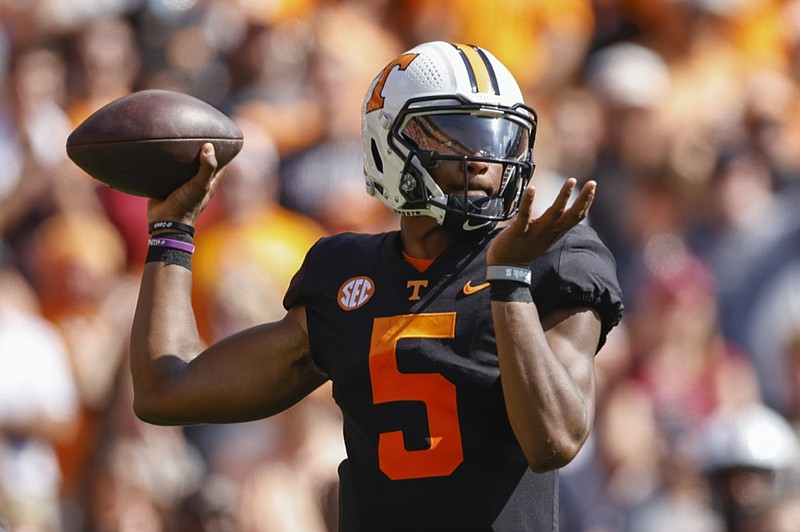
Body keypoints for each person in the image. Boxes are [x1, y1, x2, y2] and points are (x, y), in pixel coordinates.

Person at [129, 41, 624, 531]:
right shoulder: (346, 272)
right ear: (386, 144)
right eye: (454, 135)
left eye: (496, 137)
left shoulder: (554, 255)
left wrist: (510, 280)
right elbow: (166, 391)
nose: (481, 159)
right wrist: (172, 231)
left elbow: (556, 440)